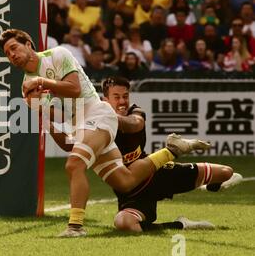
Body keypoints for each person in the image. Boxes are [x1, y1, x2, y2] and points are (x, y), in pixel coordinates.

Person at [0, 29, 210, 237]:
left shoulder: (58, 54)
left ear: (28, 44)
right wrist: (38, 106)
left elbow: (73, 89)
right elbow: (59, 117)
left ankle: (75, 227)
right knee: (124, 181)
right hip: (79, 125)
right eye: (7, 53)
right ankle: (172, 150)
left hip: (97, 113)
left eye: (14, 48)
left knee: (74, 165)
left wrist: (43, 82)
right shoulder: (26, 86)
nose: (12, 55)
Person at [100, 76, 244, 232]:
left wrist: (109, 116)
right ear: (105, 100)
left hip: (156, 173)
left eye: (125, 96)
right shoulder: (97, 128)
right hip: (132, 192)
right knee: (124, 223)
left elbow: (136, 124)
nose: (122, 101)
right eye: (117, 97)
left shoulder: (135, 112)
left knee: (226, 173)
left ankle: (209, 186)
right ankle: (180, 225)